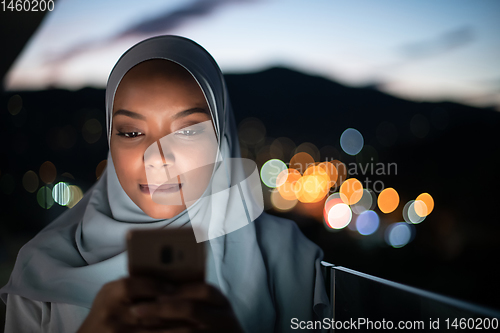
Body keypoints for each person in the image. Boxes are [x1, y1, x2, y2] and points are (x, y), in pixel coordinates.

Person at [0, 35, 330, 332]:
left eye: (186, 131)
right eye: (131, 132)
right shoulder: (42, 269)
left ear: (222, 141)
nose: (157, 156)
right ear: (110, 143)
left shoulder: (289, 259)